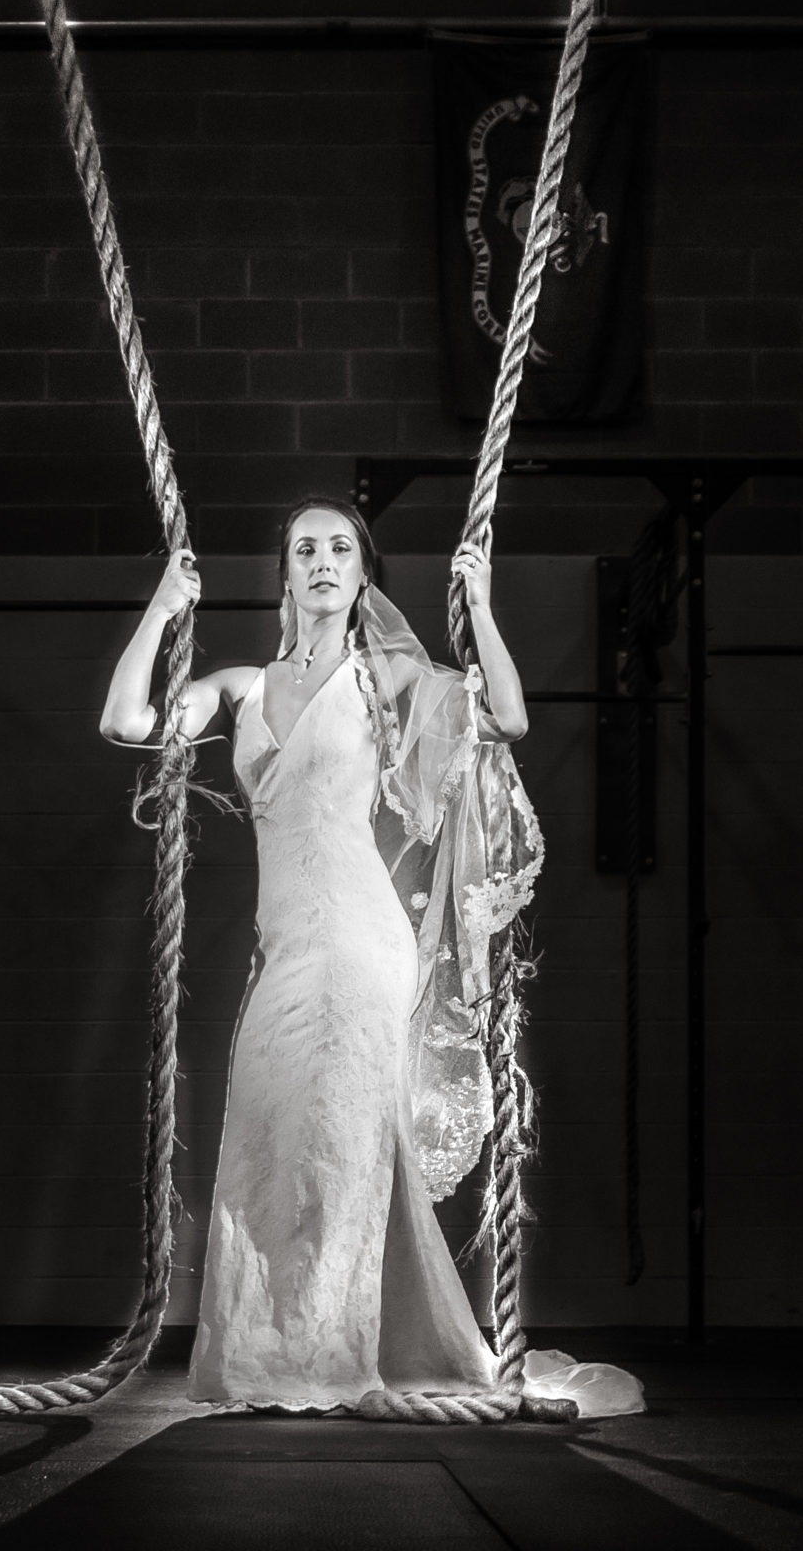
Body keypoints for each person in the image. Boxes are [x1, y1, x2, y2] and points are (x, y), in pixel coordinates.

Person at [100, 498, 638, 1418]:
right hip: (289, 953)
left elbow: (505, 719)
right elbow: (125, 723)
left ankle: (332, 1353)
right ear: (284, 574)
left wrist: (482, 600)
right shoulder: (241, 686)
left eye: (339, 549)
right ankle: (281, 1350)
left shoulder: (383, 678)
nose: (320, 562)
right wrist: (161, 605)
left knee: (339, 1138)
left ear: (362, 574)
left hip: (361, 940)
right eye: (303, 549)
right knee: (273, 1139)